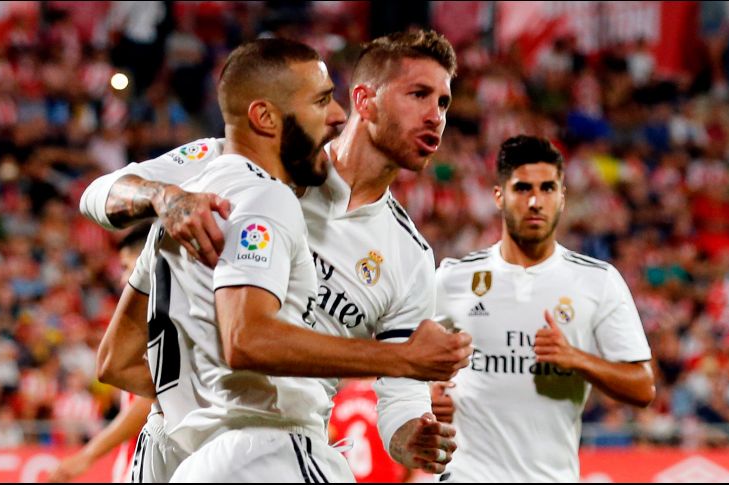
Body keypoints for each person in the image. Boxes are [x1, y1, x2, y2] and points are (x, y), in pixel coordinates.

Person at [93, 36, 471, 482]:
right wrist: (164, 196)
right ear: (364, 101)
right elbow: (100, 193)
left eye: (444, 102)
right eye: (419, 95)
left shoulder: (410, 257)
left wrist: (412, 437)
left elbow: (402, 402)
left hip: (235, 445)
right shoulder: (250, 163)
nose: (436, 116)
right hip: (238, 445)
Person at [430, 135, 655, 482]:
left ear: (562, 198)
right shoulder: (454, 277)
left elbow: (642, 387)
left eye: (548, 188)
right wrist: (424, 396)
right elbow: (400, 357)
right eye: (522, 189)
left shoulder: (598, 281)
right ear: (499, 196)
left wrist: (576, 358)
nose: (535, 201)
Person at [46, 225, 159, 483]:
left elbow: (150, 400)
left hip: (154, 467)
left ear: (149, 264)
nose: (123, 279)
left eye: (127, 267)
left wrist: (86, 456)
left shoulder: (160, 321)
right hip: (140, 464)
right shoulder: (150, 319)